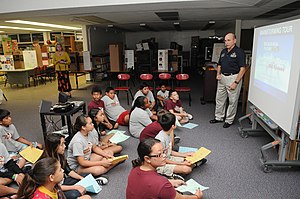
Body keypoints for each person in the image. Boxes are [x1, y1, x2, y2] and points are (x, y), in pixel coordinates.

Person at [126, 138, 203, 199]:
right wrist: (196, 197)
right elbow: (180, 198)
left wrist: (171, 182)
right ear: (147, 159)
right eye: (159, 154)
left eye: (164, 152)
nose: (164, 156)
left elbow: (148, 185)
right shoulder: (160, 183)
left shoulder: (136, 168)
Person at [209, 32, 246, 128]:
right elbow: (219, 64)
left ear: (234, 40)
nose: (226, 42)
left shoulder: (239, 52)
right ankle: (219, 117)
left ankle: (229, 120)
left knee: (232, 101)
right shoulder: (223, 51)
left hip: (233, 78)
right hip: (222, 78)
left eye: (229, 40)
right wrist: (218, 74)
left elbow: (243, 69)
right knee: (219, 99)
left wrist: (236, 82)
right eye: (225, 40)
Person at [155, 113, 205, 177]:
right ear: (173, 126)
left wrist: (184, 154)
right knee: (187, 169)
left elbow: (169, 151)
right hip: (161, 163)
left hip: (168, 157)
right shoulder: (160, 140)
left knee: (192, 156)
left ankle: (180, 170)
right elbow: (163, 159)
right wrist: (181, 163)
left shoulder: (168, 133)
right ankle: (189, 167)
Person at [45, 133, 92, 199]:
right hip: (55, 188)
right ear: (54, 147)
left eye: (64, 143)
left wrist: (80, 178)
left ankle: (82, 188)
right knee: (74, 194)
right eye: (61, 145)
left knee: (86, 176)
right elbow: (54, 187)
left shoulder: (60, 155)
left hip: (62, 181)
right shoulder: (47, 163)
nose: (64, 146)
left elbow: (68, 171)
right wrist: (75, 187)